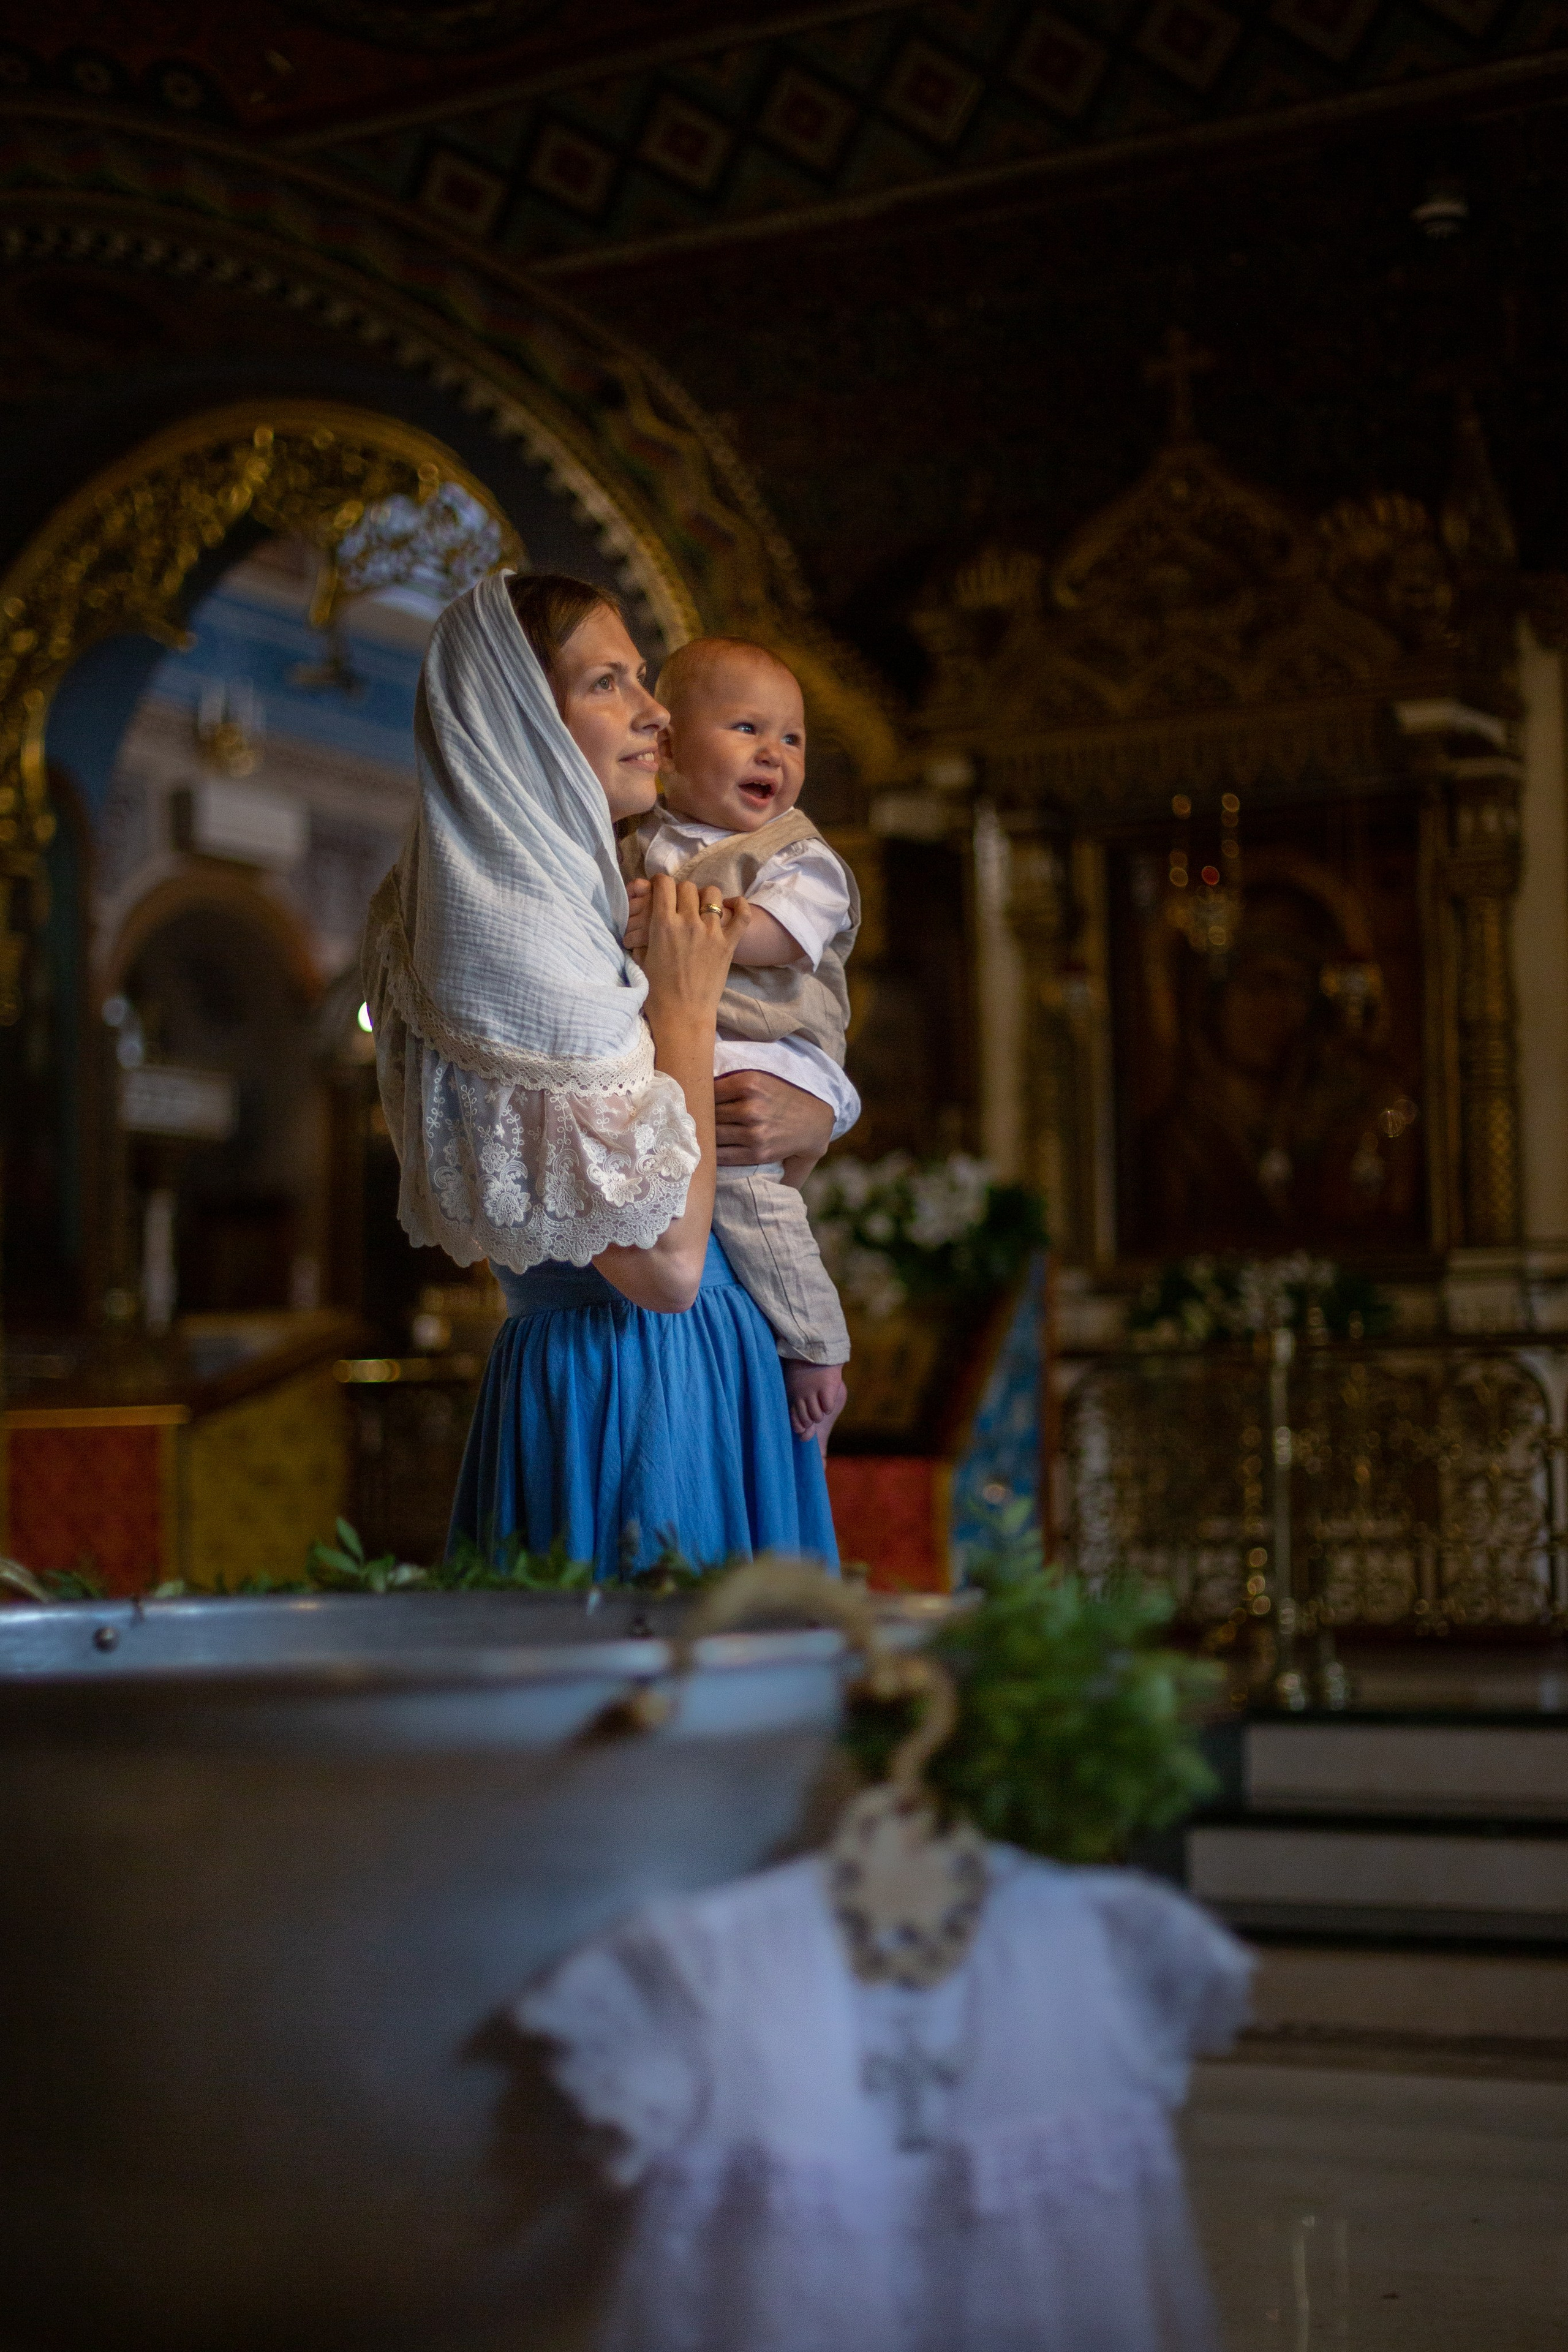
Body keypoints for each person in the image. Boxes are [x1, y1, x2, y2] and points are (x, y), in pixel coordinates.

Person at [361, 570, 839, 1578]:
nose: (655, 709)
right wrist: (689, 1003)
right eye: (608, 683)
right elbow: (664, 1264)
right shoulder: (518, 938)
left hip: (666, 1358)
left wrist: (821, 1107)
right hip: (638, 1376)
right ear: (520, 721)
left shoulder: (555, 891)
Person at [622, 637, 855, 1453]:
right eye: (747, 728)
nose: (775, 754)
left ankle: (817, 1348)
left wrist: (682, 920)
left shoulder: (797, 854)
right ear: (669, 746)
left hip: (771, 1048)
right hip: (689, 1049)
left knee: (751, 1195)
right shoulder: (636, 835)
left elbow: (775, 934)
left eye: (791, 738)